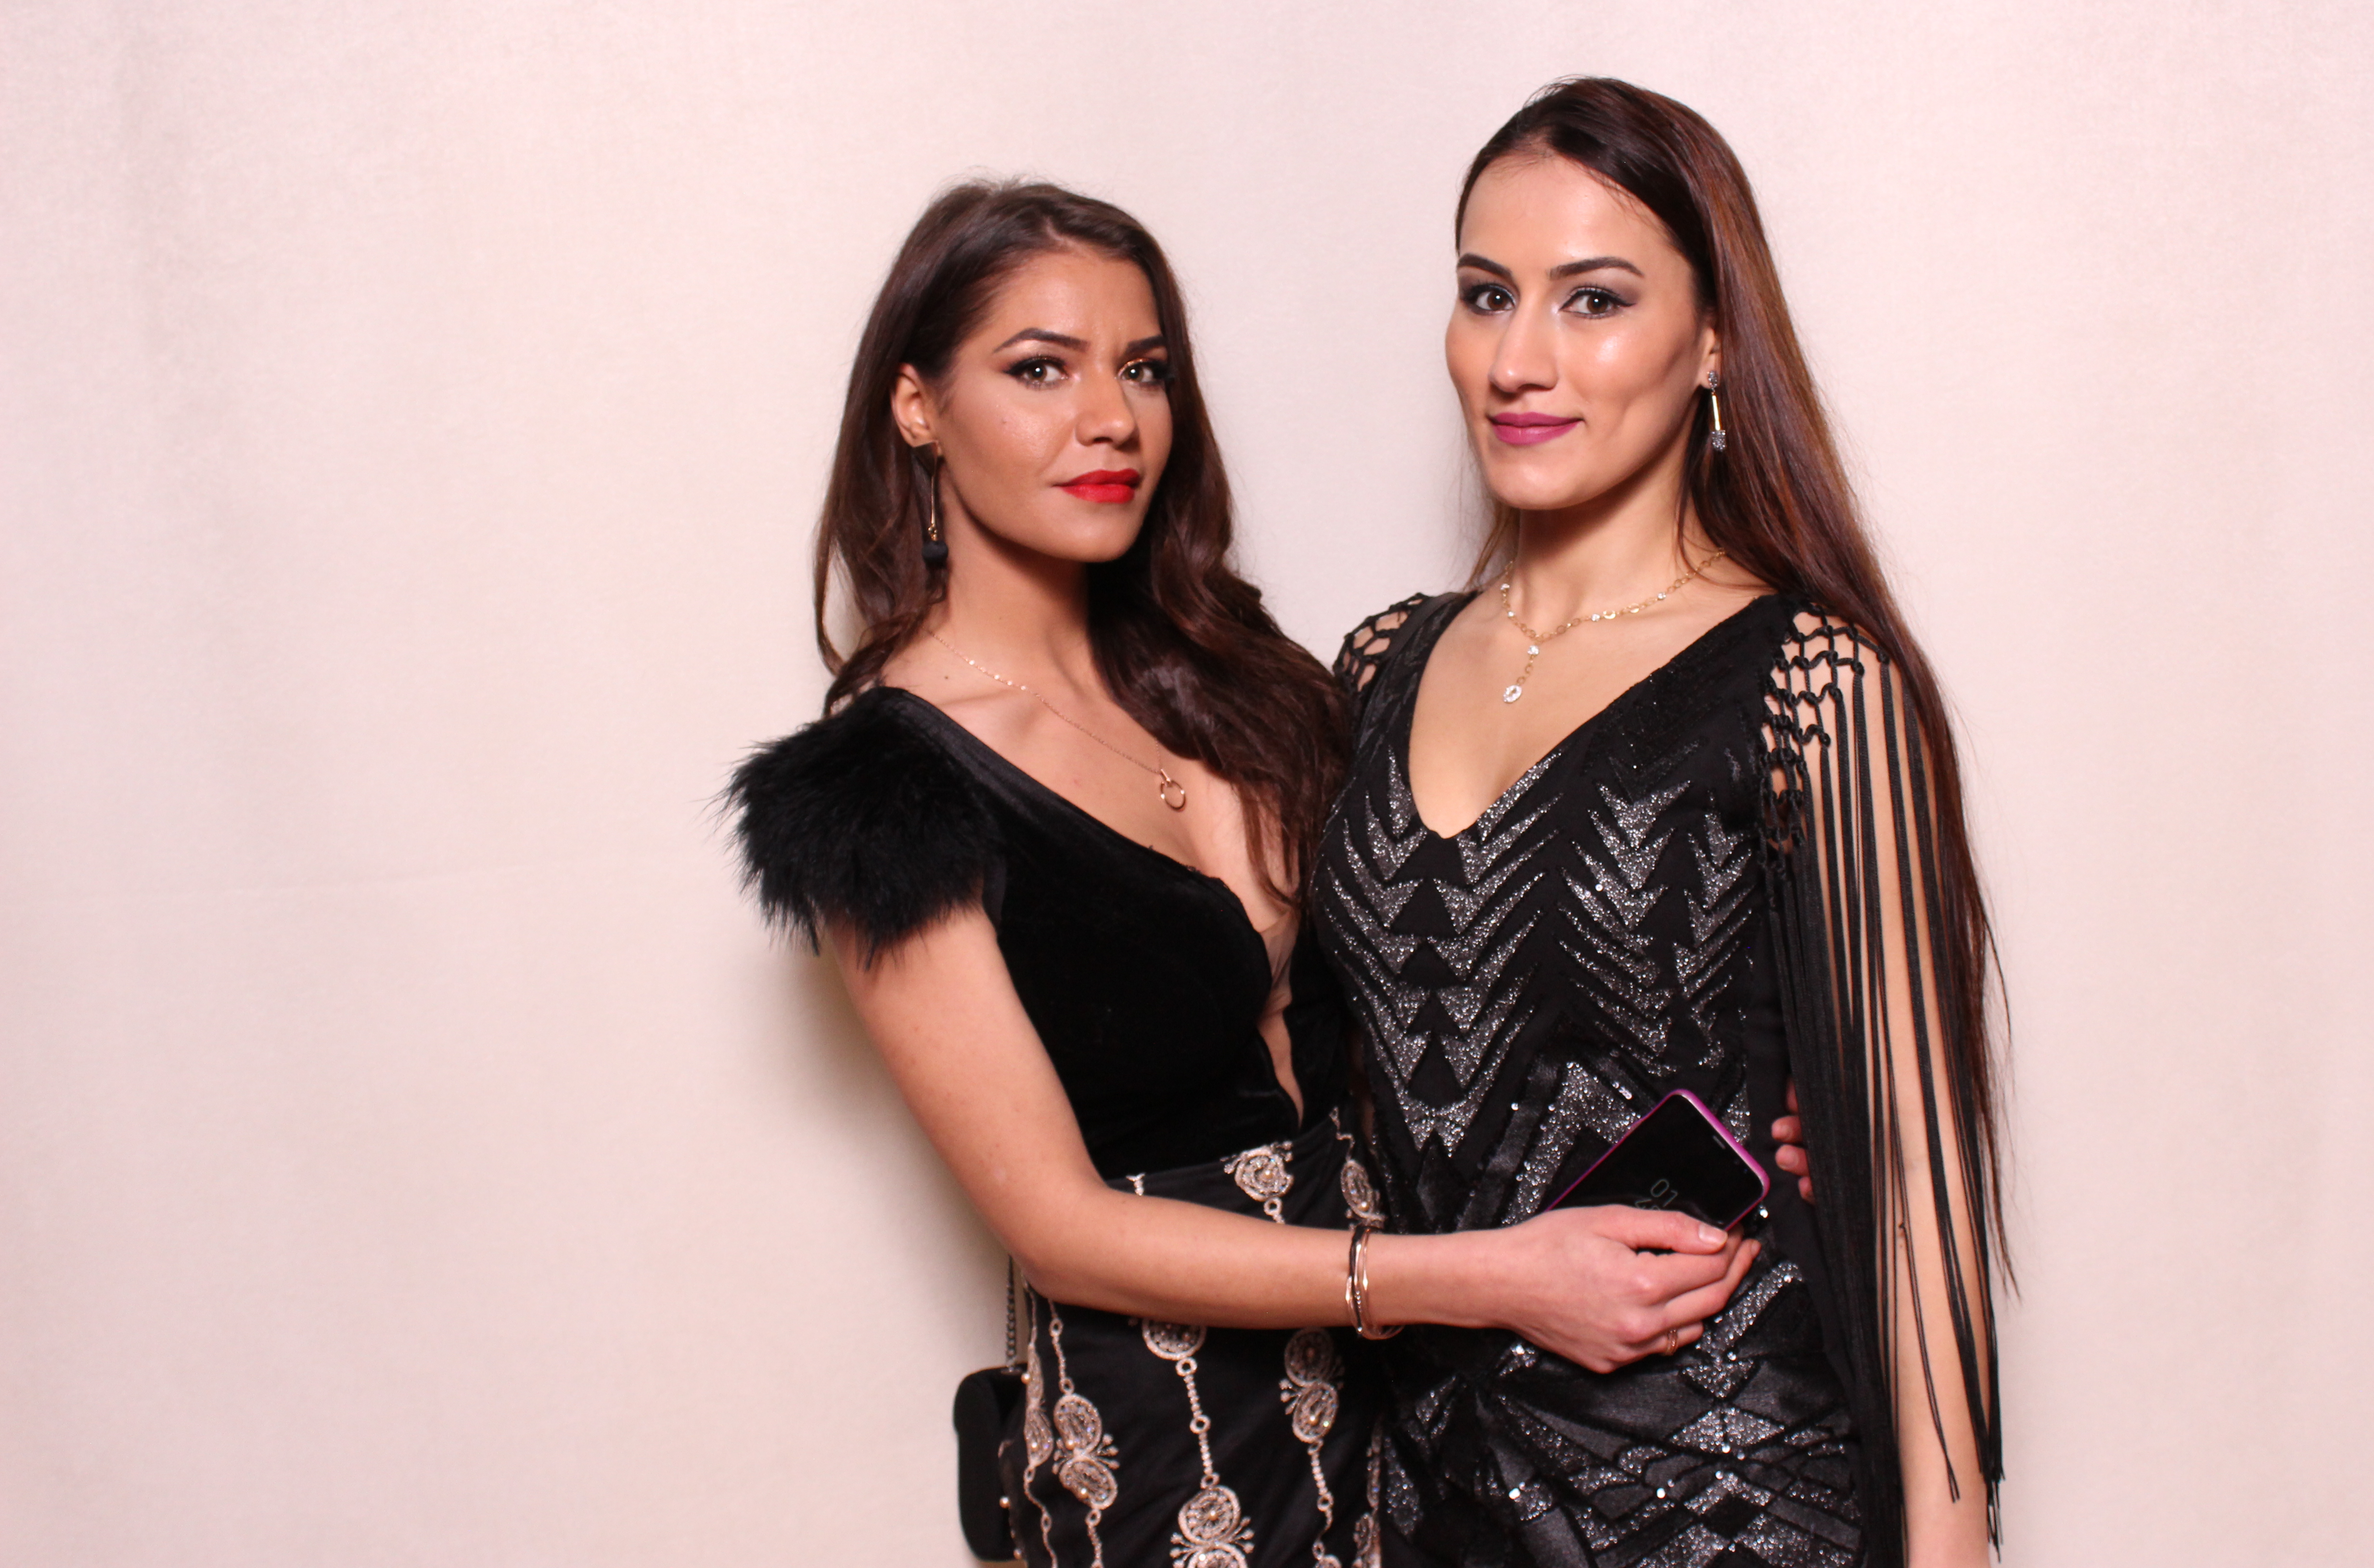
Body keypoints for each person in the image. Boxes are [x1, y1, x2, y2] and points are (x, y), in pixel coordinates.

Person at [727, 181, 1779, 1568]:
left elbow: (1448, 964)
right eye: (1039, 370)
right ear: (917, 406)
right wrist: (1481, 1280)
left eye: (1142, 369)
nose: (1110, 418)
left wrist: (1767, 1089)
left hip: (1432, 1419)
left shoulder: (1249, 681)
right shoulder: (882, 794)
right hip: (1178, 1449)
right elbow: (1061, 1231)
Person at [1311, 79, 2005, 1567]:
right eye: (1486, 295)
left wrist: (1954, 1551)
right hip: (1428, 1498)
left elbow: (1913, 1183)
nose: (1518, 359)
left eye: (1595, 299)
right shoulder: (1376, 669)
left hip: (1728, 1501)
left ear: (1712, 342)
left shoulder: (1812, 681)